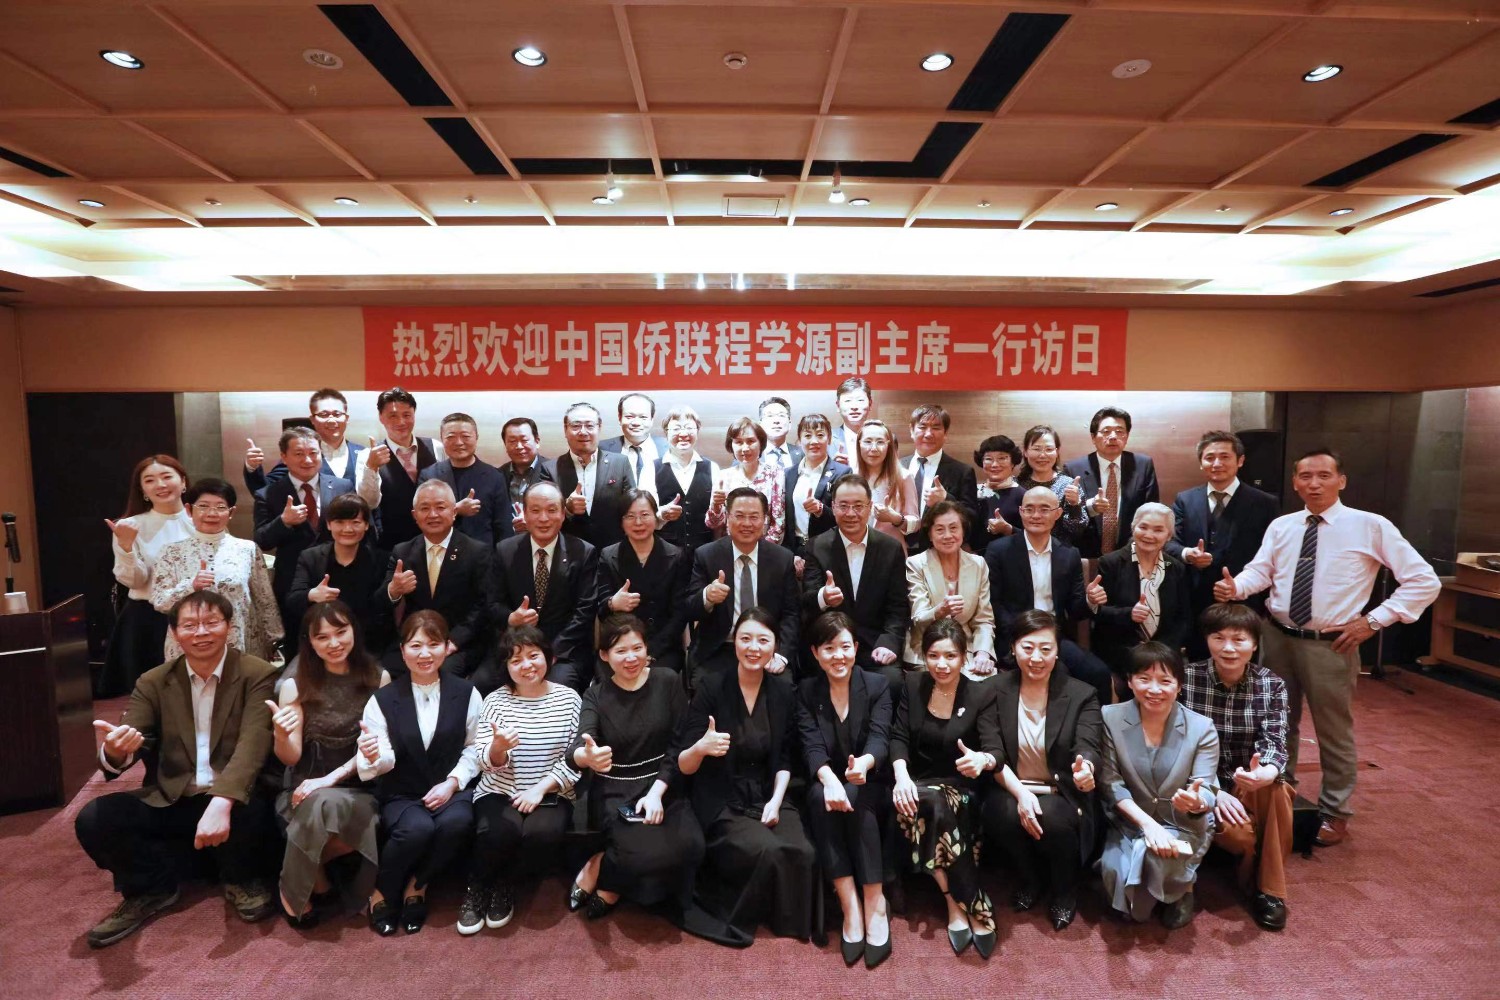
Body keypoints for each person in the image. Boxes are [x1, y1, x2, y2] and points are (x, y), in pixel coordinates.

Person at [1214, 448, 1439, 847]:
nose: (1314, 484)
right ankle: (1280, 795)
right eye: (1305, 476)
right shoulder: (1283, 526)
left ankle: (1335, 811)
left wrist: (1374, 621)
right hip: (1277, 638)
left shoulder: (1370, 526)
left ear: (1341, 480)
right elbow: (1262, 571)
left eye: (1323, 475)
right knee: (1277, 724)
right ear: (1295, 482)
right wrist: (1237, 587)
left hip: (1331, 644)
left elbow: (1424, 580)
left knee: (1333, 731)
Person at [77, 591, 279, 948]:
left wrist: (222, 800)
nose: (201, 632)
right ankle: (152, 887)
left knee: (257, 806)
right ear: (174, 633)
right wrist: (116, 750)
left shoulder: (257, 673)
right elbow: (133, 734)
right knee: (95, 819)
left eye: (211, 622)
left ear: (229, 627)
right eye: (190, 625)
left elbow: (253, 743)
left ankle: (240, 878)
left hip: (234, 800)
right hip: (174, 797)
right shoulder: (153, 681)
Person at [674, 608, 816, 945]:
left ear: (775, 646)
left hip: (767, 791)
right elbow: (683, 764)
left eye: (763, 640)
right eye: (746, 638)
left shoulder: (783, 691)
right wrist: (701, 748)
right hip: (722, 797)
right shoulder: (711, 686)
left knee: (804, 851)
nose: (754, 648)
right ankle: (744, 911)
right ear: (734, 641)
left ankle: (783, 919)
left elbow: (785, 759)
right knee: (767, 849)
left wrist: (777, 802)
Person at [567, 615, 703, 923]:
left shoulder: (668, 680)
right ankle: (605, 873)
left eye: (637, 648)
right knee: (643, 856)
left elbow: (679, 742)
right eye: (621, 651)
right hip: (617, 790)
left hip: (663, 783)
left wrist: (657, 791)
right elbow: (576, 748)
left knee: (692, 846)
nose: (631, 658)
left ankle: (605, 868)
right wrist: (587, 757)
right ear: (605, 655)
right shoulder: (596, 695)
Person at [358, 611, 483, 936]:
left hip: (451, 788)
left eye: (433, 644)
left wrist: (452, 783)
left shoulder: (467, 693)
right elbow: (381, 756)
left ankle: (418, 885)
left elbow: (475, 747)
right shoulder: (383, 699)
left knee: (457, 823)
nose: (425, 653)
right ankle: (383, 890)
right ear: (402, 651)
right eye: (415, 646)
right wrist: (373, 756)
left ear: (446, 647)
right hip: (402, 790)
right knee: (416, 829)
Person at [269, 600, 388, 927]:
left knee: (326, 801)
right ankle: (316, 879)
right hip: (304, 789)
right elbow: (291, 758)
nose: (334, 643)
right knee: (320, 803)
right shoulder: (295, 684)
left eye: (340, 632)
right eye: (322, 637)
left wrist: (330, 779)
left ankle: (293, 887)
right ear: (309, 641)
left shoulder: (378, 678)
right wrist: (281, 735)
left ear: (354, 631)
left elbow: (381, 747)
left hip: (361, 786)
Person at [981, 610, 1101, 932]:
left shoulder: (1082, 693)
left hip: (1060, 791)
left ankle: (1064, 888)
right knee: (1000, 811)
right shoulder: (992, 689)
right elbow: (993, 751)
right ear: (1013, 648)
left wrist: (1086, 768)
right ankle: (1030, 878)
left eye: (1046, 649)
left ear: (1057, 651)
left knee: (1053, 817)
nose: (1036, 658)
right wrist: (1021, 794)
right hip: (1011, 786)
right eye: (1028, 648)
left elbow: (1088, 745)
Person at [457, 626, 581, 935]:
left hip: (551, 791)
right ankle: (477, 886)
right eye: (515, 660)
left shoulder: (569, 699)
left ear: (549, 658)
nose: (526, 665)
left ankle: (505, 882)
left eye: (533, 656)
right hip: (500, 788)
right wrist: (498, 748)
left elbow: (575, 759)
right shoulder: (495, 701)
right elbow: (483, 760)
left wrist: (540, 789)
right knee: (498, 831)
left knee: (542, 834)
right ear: (506, 667)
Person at [890, 619, 1001, 959]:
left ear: (964, 657)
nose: (942, 664)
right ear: (923, 656)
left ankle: (956, 903)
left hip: (960, 787)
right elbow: (898, 737)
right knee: (927, 801)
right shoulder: (912, 684)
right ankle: (962, 902)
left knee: (934, 804)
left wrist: (982, 759)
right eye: (934, 656)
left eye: (951, 656)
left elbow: (995, 749)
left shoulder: (980, 693)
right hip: (916, 784)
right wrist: (901, 776)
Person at [1182, 603, 1292, 930]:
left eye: (1239, 639)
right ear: (1207, 640)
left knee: (1277, 789)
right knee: (1241, 838)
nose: (1228, 648)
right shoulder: (1187, 679)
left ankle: (1270, 893)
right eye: (1219, 638)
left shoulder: (1271, 684)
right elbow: (1177, 746)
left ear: (1255, 644)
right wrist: (1214, 789)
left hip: (1250, 783)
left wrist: (1264, 773)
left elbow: (1275, 741)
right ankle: (1257, 881)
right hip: (1203, 783)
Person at [794, 612, 893, 968]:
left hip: (870, 780)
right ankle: (849, 903)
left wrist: (864, 764)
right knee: (820, 798)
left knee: (857, 797)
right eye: (829, 648)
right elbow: (810, 746)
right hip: (827, 779)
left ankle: (875, 902)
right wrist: (830, 779)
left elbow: (881, 737)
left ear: (856, 648)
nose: (838, 656)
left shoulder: (877, 685)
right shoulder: (806, 691)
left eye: (845, 647)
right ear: (815, 653)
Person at [1097, 642, 1219, 929]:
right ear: (1130, 681)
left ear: (1179, 686)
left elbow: (1206, 788)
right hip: (1130, 822)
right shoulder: (1110, 717)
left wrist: (1197, 802)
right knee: (1114, 875)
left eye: (1165, 681)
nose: (1154, 689)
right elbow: (1111, 783)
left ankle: (1183, 889)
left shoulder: (1202, 728)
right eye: (1144, 679)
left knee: (1162, 859)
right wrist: (1147, 825)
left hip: (1181, 823)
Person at [986, 486, 1114, 707]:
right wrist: (1018, 636)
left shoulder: (1069, 554)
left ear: (1058, 513)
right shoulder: (999, 550)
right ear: (1021, 512)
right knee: (1058, 675)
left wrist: (1090, 601)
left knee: (1099, 673)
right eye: (1029, 509)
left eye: (1044, 509)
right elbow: (994, 603)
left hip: (1054, 637)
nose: (1036, 515)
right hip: (1014, 637)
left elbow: (1075, 610)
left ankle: (1096, 727)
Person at [1168, 430, 1279, 659]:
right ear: (1201, 463)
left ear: (1240, 460)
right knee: (1199, 662)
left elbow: (1272, 555)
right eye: (1209, 457)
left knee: (1240, 663)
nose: (1217, 463)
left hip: (1244, 600)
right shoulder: (1185, 500)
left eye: (1225, 457)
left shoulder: (1265, 503)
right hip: (1196, 600)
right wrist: (1188, 554)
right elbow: (1170, 542)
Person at [150, 478, 282, 661]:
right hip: (189, 645)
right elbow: (160, 601)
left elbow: (264, 600)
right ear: (189, 510)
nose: (211, 513)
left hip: (238, 643)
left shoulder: (247, 549)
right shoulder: (171, 552)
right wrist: (191, 586)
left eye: (220, 507)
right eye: (203, 506)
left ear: (231, 512)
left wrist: (275, 639)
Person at [379, 480, 495, 689]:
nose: (432, 514)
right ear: (415, 515)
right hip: (415, 641)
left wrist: (454, 641)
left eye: (440, 507)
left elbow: (483, 605)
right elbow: (380, 601)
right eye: (424, 508)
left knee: (438, 676)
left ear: (454, 512)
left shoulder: (477, 551)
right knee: (382, 674)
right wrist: (393, 590)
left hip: (459, 643)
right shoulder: (402, 552)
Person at [489, 480, 599, 693]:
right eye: (535, 510)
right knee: (485, 682)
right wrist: (511, 618)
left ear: (563, 514)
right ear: (524, 513)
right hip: (516, 648)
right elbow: (493, 603)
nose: (543, 518)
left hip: (565, 650)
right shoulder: (505, 550)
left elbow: (584, 612)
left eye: (551, 510)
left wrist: (550, 652)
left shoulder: (583, 552)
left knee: (558, 688)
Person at [98, 454, 193, 697]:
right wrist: (126, 547)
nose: (160, 485)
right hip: (149, 620)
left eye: (167, 476)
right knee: (154, 697)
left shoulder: (203, 519)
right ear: (142, 490)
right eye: (150, 480)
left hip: (198, 616)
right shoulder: (129, 526)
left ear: (183, 482)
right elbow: (135, 581)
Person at [801, 474, 908, 686]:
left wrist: (889, 642)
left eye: (858, 506)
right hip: (831, 644)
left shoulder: (890, 548)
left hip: (875, 645)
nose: (851, 513)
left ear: (870, 507)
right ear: (833, 507)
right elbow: (807, 601)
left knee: (892, 681)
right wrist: (823, 597)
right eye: (843, 506)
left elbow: (898, 607)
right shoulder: (817, 546)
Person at [686, 487, 800, 677]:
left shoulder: (782, 559)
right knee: (707, 686)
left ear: (765, 520)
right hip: (721, 647)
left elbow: (791, 614)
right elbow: (690, 608)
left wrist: (782, 655)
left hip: (766, 649)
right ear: (727, 518)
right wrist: (707, 597)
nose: (747, 523)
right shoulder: (707, 555)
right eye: (739, 516)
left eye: (754, 517)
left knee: (783, 686)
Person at [253, 426, 355, 635]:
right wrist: (283, 521)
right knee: (297, 642)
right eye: (299, 454)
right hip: (293, 585)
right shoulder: (268, 493)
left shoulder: (342, 486)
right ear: (284, 457)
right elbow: (261, 540)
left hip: (339, 578)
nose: (307, 460)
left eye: (313, 453)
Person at [1087, 502, 1192, 698]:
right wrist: (1129, 614)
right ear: (1133, 528)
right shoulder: (1111, 563)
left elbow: (1182, 618)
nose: (1149, 535)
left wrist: (1162, 652)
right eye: (1143, 527)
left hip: (1163, 653)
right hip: (1121, 653)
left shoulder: (1176, 568)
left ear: (1169, 535)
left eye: (1158, 530)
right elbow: (1099, 614)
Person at [594, 489, 691, 674]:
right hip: (620, 644)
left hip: (662, 646)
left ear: (656, 518)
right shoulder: (608, 555)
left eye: (645, 515)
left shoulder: (676, 556)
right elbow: (601, 608)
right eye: (630, 516)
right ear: (621, 522)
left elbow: (679, 613)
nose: (638, 522)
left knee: (661, 677)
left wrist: (650, 651)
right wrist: (613, 604)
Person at [285, 492, 390, 653]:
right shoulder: (310, 557)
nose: (347, 529)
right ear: (329, 524)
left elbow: (382, 608)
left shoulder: (382, 559)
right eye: (339, 522)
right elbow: (292, 600)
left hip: (369, 645)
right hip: (324, 646)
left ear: (366, 525)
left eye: (355, 522)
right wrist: (312, 595)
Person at [244, 388, 380, 508]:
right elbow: (266, 490)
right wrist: (252, 468)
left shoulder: (364, 453)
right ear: (313, 419)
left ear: (347, 418)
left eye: (337, 414)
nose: (331, 420)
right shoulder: (301, 454)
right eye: (324, 415)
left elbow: (374, 504)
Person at [904, 500, 996, 676]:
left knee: (985, 680)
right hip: (927, 648)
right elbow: (918, 618)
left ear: (963, 531)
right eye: (940, 530)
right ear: (930, 534)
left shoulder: (978, 564)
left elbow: (984, 620)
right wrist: (940, 611)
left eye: (954, 528)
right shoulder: (916, 564)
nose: (947, 535)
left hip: (966, 648)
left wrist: (983, 652)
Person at [1064, 406, 1160, 559]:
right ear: (1093, 437)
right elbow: (1068, 517)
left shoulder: (1143, 465)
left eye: (1120, 431)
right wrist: (1091, 507)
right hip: (1087, 555)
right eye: (1106, 431)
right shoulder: (1073, 469)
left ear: (1127, 436)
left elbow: (1150, 510)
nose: (1113, 436)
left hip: (1130, 554)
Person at [418, 412, 512, 546]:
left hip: (482, 555)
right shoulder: (430, 475)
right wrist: (456, 509)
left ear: (476, 437)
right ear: (442, 439)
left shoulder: (494, 476)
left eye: (465, 436)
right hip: (440, 552)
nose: (458, 442)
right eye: (451, 437)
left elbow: (503, 527)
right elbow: (421, 517)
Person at [555, 401, 635, 551]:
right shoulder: (550, 468)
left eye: (589, 426)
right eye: (576, 426)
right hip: (569, 553)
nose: (583, 432)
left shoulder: (620, 463)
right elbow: (546, 516)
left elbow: (632, 508)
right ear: (565, 430)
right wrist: (567, 509)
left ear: (599, 428)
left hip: (614, 552)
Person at [371, 386, 443, 548]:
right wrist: (372, 467)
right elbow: (370, 502)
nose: (401, 422)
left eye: (407, 415)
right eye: (393, 416)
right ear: (381, 417)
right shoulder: (370, 455)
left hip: (435, 540)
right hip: (391, 544)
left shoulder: (436, 447)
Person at [903, 404, 980, 553]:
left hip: (938, 552)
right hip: (898, 548)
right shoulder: (898, 466)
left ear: (945, 433)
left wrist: (946, 499)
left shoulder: (962, 471)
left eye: (936, 428)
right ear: (911, 430)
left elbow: (972, 519)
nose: (928, 434)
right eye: (922, 427)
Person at [655, 405, 721, 558]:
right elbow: (645, 513)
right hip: (664, 554)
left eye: (689, 428)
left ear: (698, 431)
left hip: (704, 553)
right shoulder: (651, 468)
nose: (683, 434)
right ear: (666, 433)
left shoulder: (712, 468)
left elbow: (717, 521)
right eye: (676, 428)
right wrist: (661, 514)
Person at [710, 417, 787, 546]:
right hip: (730, 549)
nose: (745, 448)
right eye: (739, 442)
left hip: (766, 550)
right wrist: (716, 506)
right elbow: (713, 524)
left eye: (751, 441)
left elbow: (778, 524)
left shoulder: (775, 474)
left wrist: (758, 551)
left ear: (761, 443)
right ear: (731, 445)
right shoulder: (724, 476)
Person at [782, 413, 851, 556]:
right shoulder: (788, 474)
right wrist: (791, 555)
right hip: (794, 552)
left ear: (829, 439)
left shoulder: (842, 472)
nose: (814, 441)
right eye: (807, 436)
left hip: (827, 551)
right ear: (800, 440)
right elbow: (786, 519)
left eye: (820, 435)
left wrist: (821, 509)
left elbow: (846, 516)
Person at [1016, 425, 1088, 545]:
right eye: (1037, 449)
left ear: (1057, 452)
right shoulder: (1017, 484)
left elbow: (1077, 531)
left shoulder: (1069, 485)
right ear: (1025, 452)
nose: (1042, 455)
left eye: (1049, 449)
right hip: (1020, 549)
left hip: (1058, 551)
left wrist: (1074, 505)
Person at [854, 418, 919, 552]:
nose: (874, 448)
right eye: (867, 441)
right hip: (856, 549)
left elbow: (916, 523)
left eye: (880, 442)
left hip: (891, 550)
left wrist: (895, 518)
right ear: (859, 444)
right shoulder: (851, 476)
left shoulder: (904, 476)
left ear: (888, 445)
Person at [600, 392, 668, 499]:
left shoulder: (669, 448)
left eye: (643, 417)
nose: (636, 422)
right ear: (619, 418)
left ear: (652, 419)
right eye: (629, 416)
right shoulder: (601, 450)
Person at [973, 434, 1025, 551]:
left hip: (1009, 557)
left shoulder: (1023, 495)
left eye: (1002, 458)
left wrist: (1008, 529)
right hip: (973, 558)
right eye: (988, 459)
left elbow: (1033, 536)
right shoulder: (973, 491)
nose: (995, 464)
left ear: (1013, 462)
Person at [498, 416, 557, 514]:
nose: (519, 446)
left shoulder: (555, 471)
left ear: (537, 441)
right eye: (512, 441)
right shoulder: (498, 475)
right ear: (505, 445)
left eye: (524, 440)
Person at [829, 376, 871, 467]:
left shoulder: (882, 438)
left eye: (860, 400)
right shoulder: (827, 439)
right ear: (838, 406)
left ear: (870, 404)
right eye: (848, 401)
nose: (854, 407)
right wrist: (832, 468)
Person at [758, 396, 802, 475]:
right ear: (761, 425)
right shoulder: (748, 455)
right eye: (770, 416)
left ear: (789, 424)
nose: (776, 421)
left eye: (781, 415)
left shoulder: (803, 454)